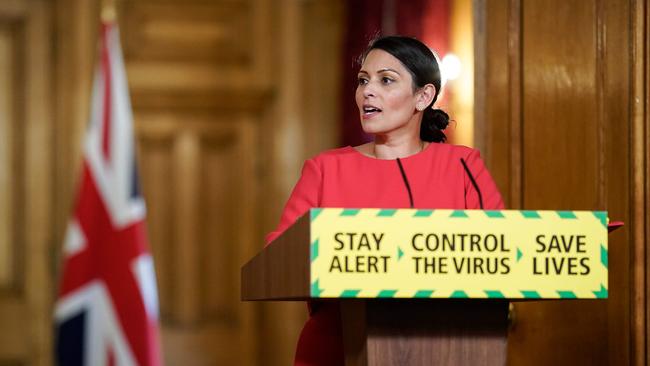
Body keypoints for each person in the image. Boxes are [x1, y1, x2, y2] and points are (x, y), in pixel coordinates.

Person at [266, 35, 504, 366]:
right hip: (336, 346)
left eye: (386, 80)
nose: (367, 91)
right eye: (363, 80)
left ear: (424, 96)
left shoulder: (463, 165)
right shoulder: (324, 168)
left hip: (443, 346)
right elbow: (279, 257)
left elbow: (501, 251)